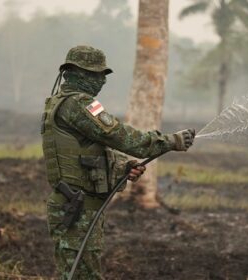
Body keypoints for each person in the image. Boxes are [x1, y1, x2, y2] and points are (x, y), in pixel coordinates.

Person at [41, 45, 195, 279]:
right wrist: (169, 141)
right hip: (78, 207)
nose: (102, 80)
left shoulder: (60, 102)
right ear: (80, 73)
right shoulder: (79, 104)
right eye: (97, 74)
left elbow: (88, 148)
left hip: (76, 204)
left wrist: (123, 166)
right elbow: (118, 136)